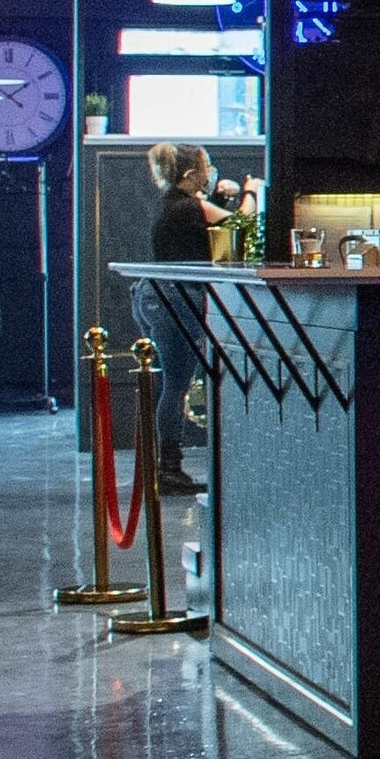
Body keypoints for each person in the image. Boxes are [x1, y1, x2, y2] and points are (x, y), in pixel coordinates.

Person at [135, 143, 221, 495]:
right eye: (207, 167)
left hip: (153, 295)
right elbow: (240, 222)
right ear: (191, 174)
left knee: (171, 383)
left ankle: (166, 465)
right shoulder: (190, 206)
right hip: (177, 298)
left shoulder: (170, 204)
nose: (211, 173)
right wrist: (250, 191)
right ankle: (168, 469)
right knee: (176, 384)